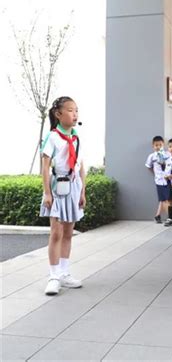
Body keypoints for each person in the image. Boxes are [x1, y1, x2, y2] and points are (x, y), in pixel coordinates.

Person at [40, 96, 85, 296]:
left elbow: (81, 166)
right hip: (58, 187)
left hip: (73, 187)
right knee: (56, 233)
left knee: (68, 233)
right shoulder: (52, 137)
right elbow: (45, 166)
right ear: (58, 114)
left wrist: (82, 191)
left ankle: (65, 273)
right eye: (70, 110)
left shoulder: (76, 138)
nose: (74, 114)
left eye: (76, 110)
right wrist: (47, 193)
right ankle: (53, 276)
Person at [145, 136, 170, 224]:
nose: (158, 147)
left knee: (163, 199)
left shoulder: (167, 154)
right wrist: (155, 173)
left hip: (167, 180)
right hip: (159, 180)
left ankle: (157, 216)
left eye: (160, 145)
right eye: (156, 145)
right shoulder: (152, 156)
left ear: (163, 145)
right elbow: (148, 166)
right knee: (165, 200)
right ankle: (169, 217)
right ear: (153, 146)